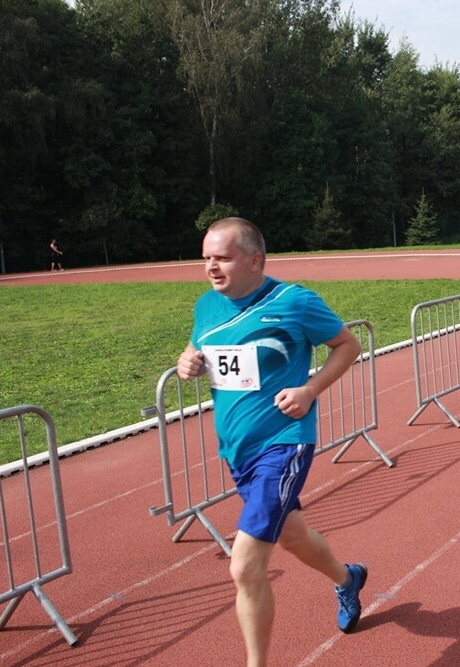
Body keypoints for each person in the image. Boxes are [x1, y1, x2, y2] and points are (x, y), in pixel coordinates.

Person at [176, 217, 367, 666]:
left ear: (255, 259)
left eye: (222, 257)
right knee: (294, 537)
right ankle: (348, 579)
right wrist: (188, 361)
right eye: (206, 258)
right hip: (237, 449)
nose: (211, 267)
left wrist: (309, 390)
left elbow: (347, 346)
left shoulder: (294, 302)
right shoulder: (207, 305)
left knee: (244, 566)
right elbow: (197, 349)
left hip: (283, 443)